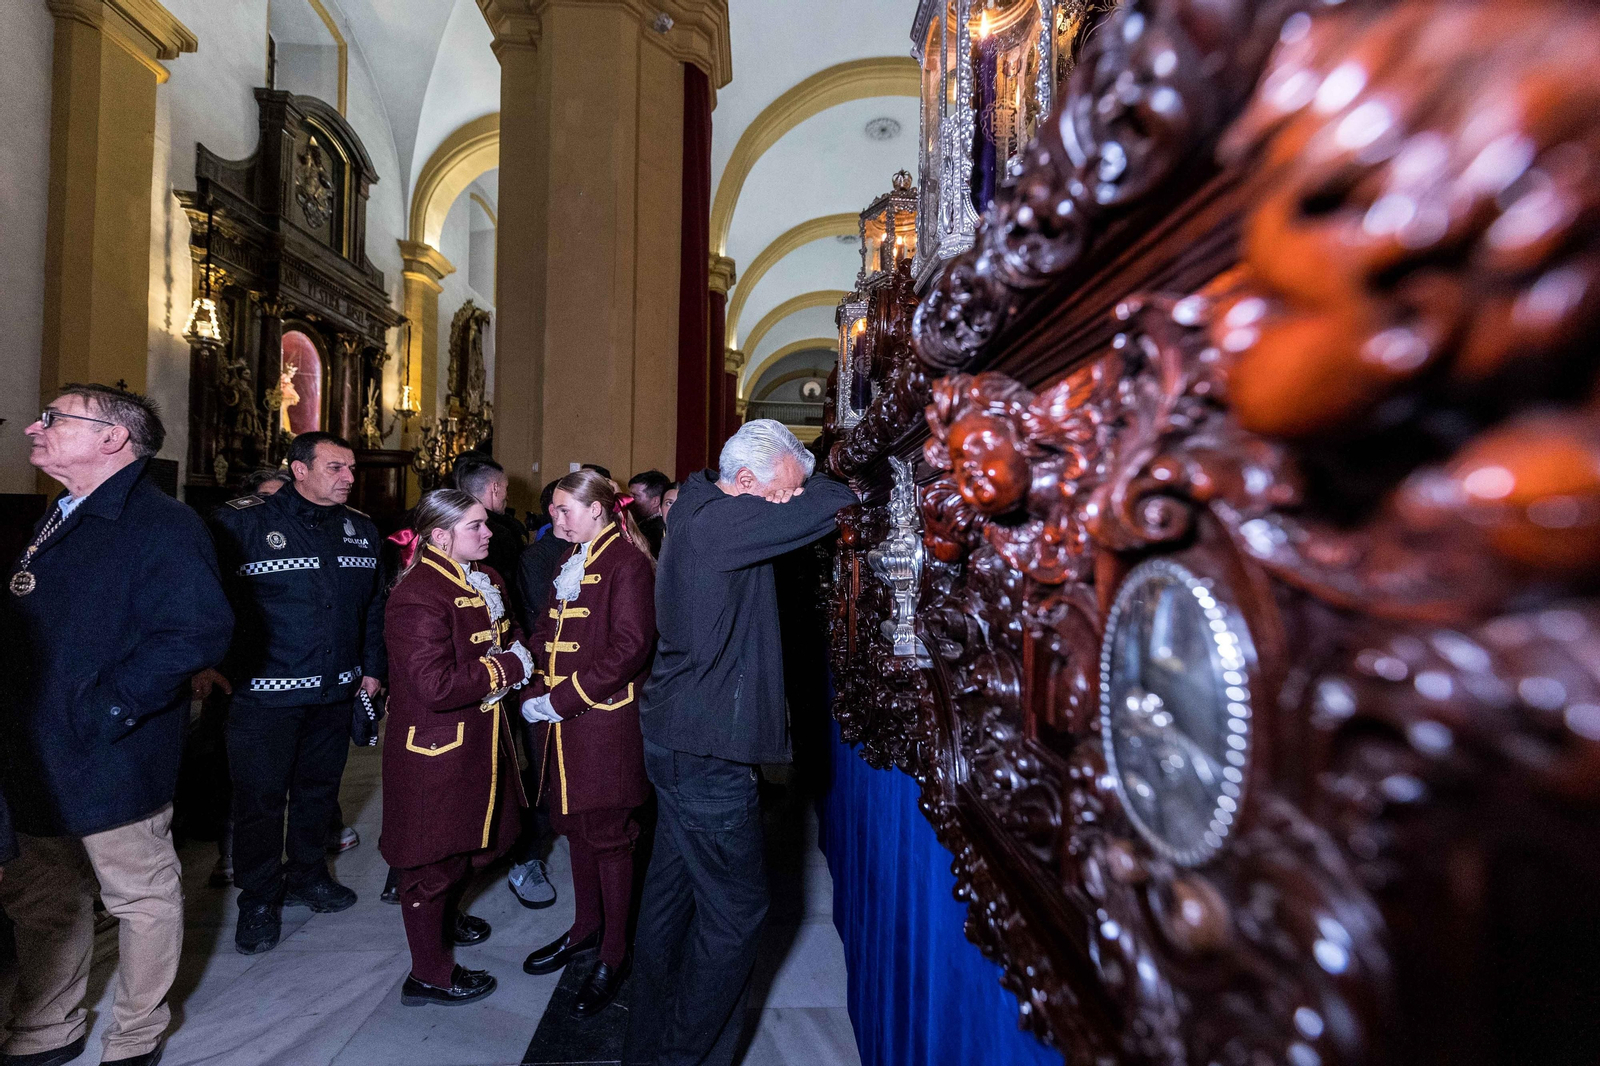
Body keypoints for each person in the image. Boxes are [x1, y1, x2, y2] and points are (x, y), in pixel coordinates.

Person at [0, 384, 233, 1066]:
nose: (32, 430)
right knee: (44, 896)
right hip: (36, 749)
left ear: (112, 439)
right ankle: (47, 1026)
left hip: (108, 748)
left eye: (54, 418)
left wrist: (105, 708)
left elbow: (195, 631)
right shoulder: (61, 513)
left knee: (140, 898)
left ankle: (134, 1035)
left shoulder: (162, 524)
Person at [624, 421, 857, 1066]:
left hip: (678, 738)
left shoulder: (701, 500)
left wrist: (790, 478)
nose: (787, 504)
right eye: (782, 492)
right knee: (736, 917)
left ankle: (647, 1049)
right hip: (704, 751)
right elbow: (836, 501)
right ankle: (682, 1058)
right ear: (748, 481)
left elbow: (796, 493)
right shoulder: (722, 522)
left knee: (671, 903)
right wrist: (815, 485)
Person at [209, 431, 387, 955]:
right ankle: (259, 898)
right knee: (260, 801)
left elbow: (374, 606)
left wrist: (373, 668)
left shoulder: (361, 529)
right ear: (299, 470)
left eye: (352, 468)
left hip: (334, 692)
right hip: (263, 695)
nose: (349, 478)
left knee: (318, 791)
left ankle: (309, 875)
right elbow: (206, 600)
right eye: (335, 468)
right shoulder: (241, 522)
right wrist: (211, 663)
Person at [380, 490, 537, 1006]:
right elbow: (435, 686)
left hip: (483, 739)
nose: (489, 533)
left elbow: (508, 630)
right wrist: (511, 667)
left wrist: (515, 649)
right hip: (436, 751)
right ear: (440, 537)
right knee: (432, 862)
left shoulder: (485, 578)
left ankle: (444, 914)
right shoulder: (417, 595)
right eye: (476, 526)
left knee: (489, 837)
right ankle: (429, 974)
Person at [520, 470, 657, 1017]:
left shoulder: (625, 562)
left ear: (597, 510)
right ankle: (584, 927)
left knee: (609, 835)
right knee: (573, 825)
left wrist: (562, 699)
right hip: (562, 723)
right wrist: (528, 674)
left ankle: (614, 952)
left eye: (563, 510)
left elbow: (629, 647)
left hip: (603, 722)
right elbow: (546, 629)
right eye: (553, 509)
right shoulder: (568, 558)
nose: (554, 519)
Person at [503, 477, 569, 910]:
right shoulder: (537, 557)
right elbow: (538, 623)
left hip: (595, 685)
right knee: (544, 774)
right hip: (546, 679)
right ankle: (526, 859)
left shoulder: (610, 551)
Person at [454, 455, 526, 601]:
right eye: (506, 488)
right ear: (494, 488)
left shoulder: (450, 524)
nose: (507, 496)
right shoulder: (502, 532)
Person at [627, 469, 671, 556]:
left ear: (655, 501)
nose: (628, 500)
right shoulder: (648, 524)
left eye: (635, 496)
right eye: (629, 495)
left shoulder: (654, 532)